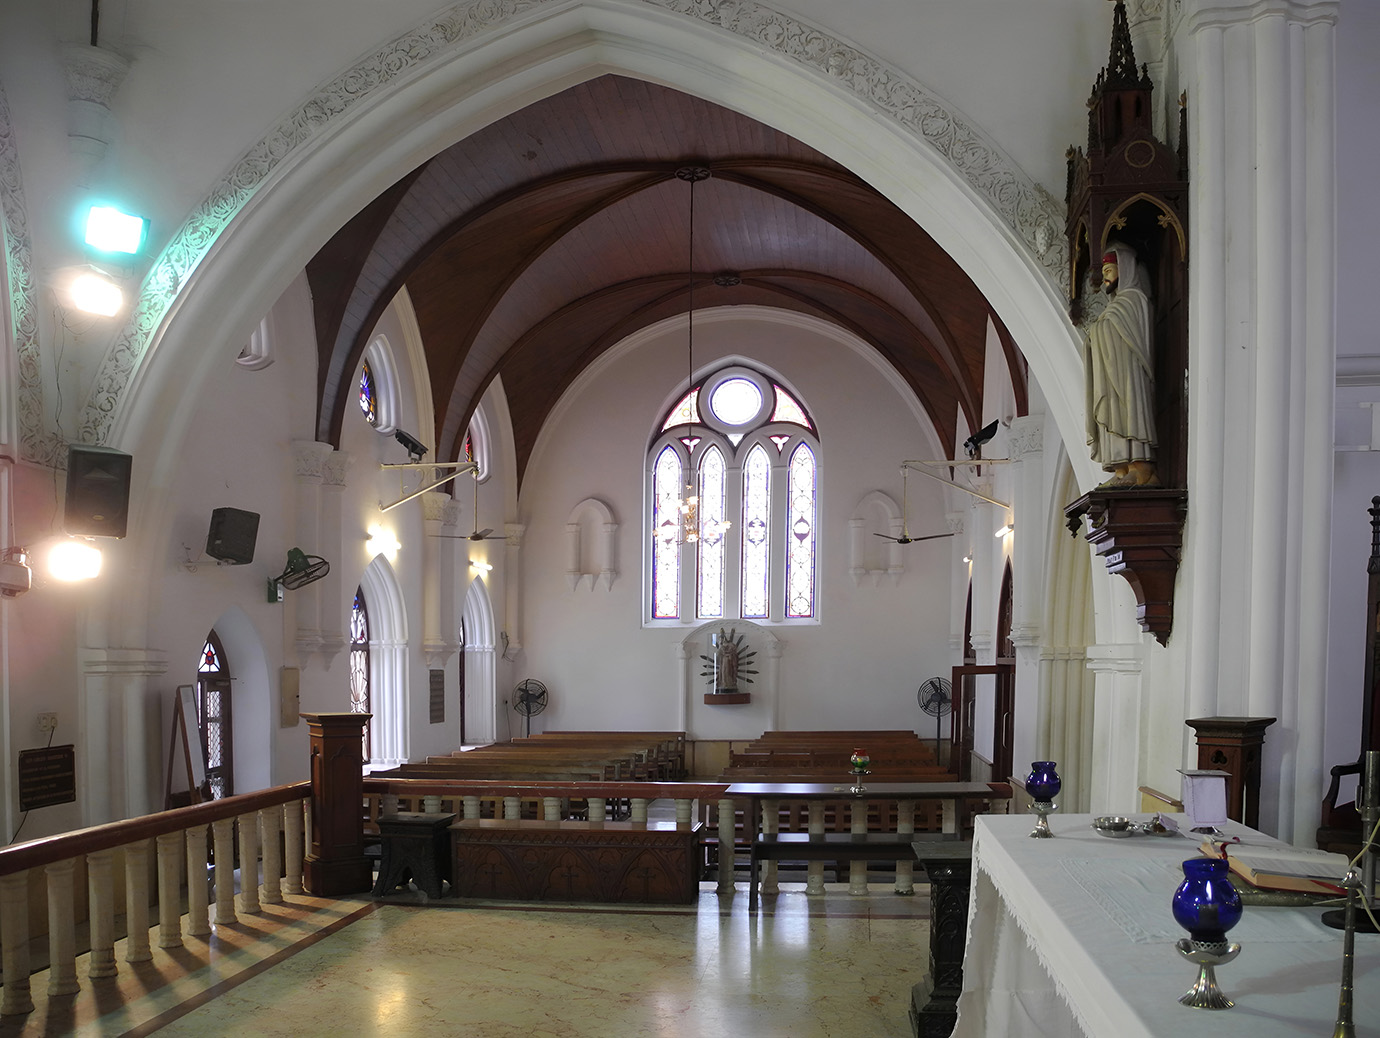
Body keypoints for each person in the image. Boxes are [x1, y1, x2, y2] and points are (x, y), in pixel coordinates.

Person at [1085, 242, 1158, 487]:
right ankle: (1121, 469)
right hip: (1111, 375)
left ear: (1124, 269)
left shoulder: (1134, 299)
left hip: (1129, 376)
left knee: (1129, 415)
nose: (1106, 278)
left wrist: (1099, 330)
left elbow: (1134, 338)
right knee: (1112, 413)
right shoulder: (1114, 307)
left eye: (1109, 271)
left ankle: (1141, 469)